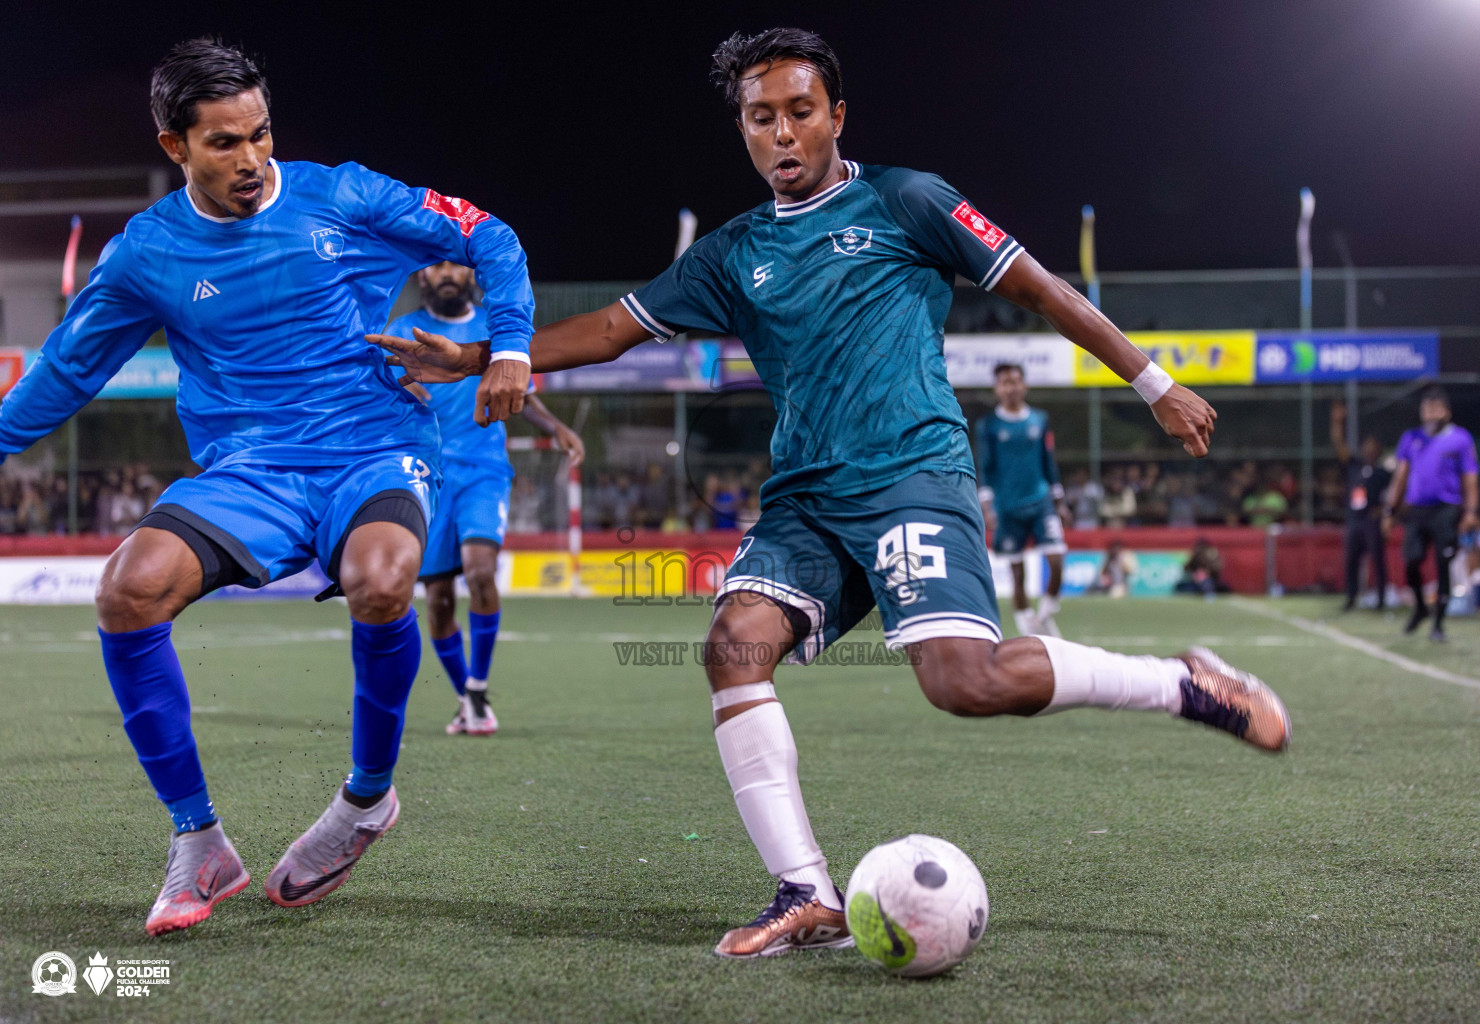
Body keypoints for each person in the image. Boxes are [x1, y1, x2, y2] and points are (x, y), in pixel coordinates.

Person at [375, 26, 1290, 960]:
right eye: (759, 118)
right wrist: (487, 355)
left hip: (912, 476)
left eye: (799, 113)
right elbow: (614, 328)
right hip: (807, 498)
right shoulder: (732, 254)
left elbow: (1044, 291)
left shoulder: (908, 199)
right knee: (734, 647)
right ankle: (805, 892)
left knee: (963, 684)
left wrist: (1153, 381)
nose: (781, 134)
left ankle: (1186, 688)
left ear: (836, 116)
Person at [0, 39, 536, 935]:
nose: (251, 161)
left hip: (373, 446)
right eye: (223, 143)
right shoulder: (147, 254)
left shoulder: (345, 194)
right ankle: (198, 842)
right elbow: (64, 373)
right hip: (251, 471)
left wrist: (510, 343)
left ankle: (365, 801)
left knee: (382, 576)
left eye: (261, 135)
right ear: (175, 146)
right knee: (128, 589)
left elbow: (488, 233)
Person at [387, 261, 582, 737]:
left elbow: (521, 387)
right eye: (436, 265)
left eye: (456, 263)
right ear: (421, 277)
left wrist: (556, 427)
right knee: (435, 599)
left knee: (479, 570)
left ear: (470, 275)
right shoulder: (399, 331)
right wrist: (401, 386)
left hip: (483, 470)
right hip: (425, 477)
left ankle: (478, 685)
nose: (448, 272)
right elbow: (379, 385)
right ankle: (467, 699)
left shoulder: (494, 327)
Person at [974, 363, 1069, 636]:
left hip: (1041, 503)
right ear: (997, 389)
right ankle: (1029, 629)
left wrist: (1058, 499)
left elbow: (1047, 459)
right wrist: (987, 506)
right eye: (1005, 382)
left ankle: (1046, 613)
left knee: (1056, 561)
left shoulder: (1039, 419)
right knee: (1018, 575)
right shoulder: (988, 426)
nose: (1011, 387)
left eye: (1016, 381)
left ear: (1024, 385)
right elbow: (986, 467)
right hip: (1007, 508)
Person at [1383, 385, 1480, 642]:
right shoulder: (1411, 438)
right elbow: (1401, 476)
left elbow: (1470, 478)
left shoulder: (1460, 438)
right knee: (1411, 560)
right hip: (1417, 509)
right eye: (1427, 408)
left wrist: (1470, 511)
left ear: (1447, 411)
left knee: (1442, 563)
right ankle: (1421, 607)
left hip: (1447, 509)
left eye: (1437, 408)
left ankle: (1438, 623)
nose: (1431, 413)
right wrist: (1389, 510)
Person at [1330, 400, 1389, 610]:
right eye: (1367, 446)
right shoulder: (1355, 466)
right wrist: (1337, 422)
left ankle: (1381, 598)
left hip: (1371, 522)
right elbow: (1339, 445)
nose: (1370, 450)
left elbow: (1392, 496)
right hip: (1354, 520)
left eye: (1374, 447)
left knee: (1378, 561)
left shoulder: (1383, 474)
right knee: (1351, 561)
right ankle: (1351, 597)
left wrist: (1384, 513)